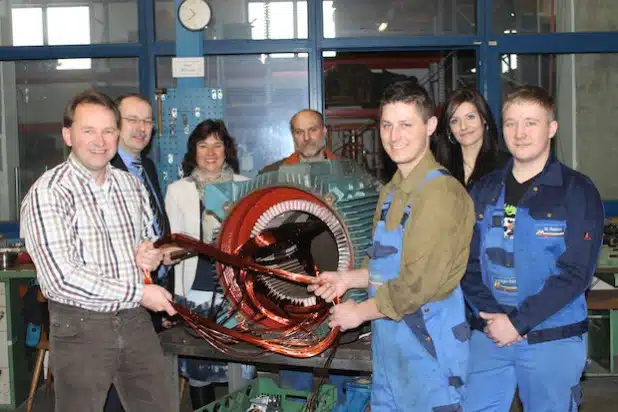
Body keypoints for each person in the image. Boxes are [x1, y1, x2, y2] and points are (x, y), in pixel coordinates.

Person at [309, 81, 475, 410]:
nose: (394, 136)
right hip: (390, 349)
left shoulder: (440, 194)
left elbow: (415, 286)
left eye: (405, 125)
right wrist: (348, 279)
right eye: (387, 125)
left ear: (430, 126)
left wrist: (357, 313)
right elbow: (385, 265)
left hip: (429, 351)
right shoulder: (391, 191)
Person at [20, 89, 176, 411]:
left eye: (108, 131)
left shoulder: (131, 186)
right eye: (88, 130)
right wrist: (140, 293)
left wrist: (148, 255)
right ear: (68, 135)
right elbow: (63, 278)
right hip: (80, 325)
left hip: (134, 321)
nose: (100, 140)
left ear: (117, 135)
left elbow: (144, 242)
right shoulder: (48, 193)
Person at [461, 85, 604, 411]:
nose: (519, 133)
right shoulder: (484, 190)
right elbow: (466, 263)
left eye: (531, 123)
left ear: (551, 128)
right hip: (491, 336)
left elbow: (576, 272)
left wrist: (518, 322)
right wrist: (490, 320)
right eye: (511, 123)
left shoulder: (577, 191)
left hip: (551, 338)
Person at [164, 119, 253, 409]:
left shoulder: (245, 187)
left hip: (236, 290)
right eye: (204, 145)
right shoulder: (178, 190)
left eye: (217, 145)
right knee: (199, 370)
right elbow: (174, 245)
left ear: (227, 150)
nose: (211, 152)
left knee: (238, 365)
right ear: (194, 151)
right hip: (196, 287)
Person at [104, 93, 173, 412]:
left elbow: (153, 224)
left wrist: (166, 248)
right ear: (116, 124)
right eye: (133, 120)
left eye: (147, 121)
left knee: (142, 386)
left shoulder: (146, 166)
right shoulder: (103, 167)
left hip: (150, 291)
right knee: (116, 388)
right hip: (118, 297)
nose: (142, 127)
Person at [432, 88, 508, 188]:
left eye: (470, 117)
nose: (463, 126)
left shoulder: (506, 165)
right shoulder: (439, 168)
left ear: (484, 118)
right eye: (454, 121)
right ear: (449, 128)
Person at [259, 109, 336, 173]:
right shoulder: (271, 174)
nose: (306, 138)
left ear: (324, 131)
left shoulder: (345, 171)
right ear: (293, 136)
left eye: (313, 130)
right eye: (299, 132)